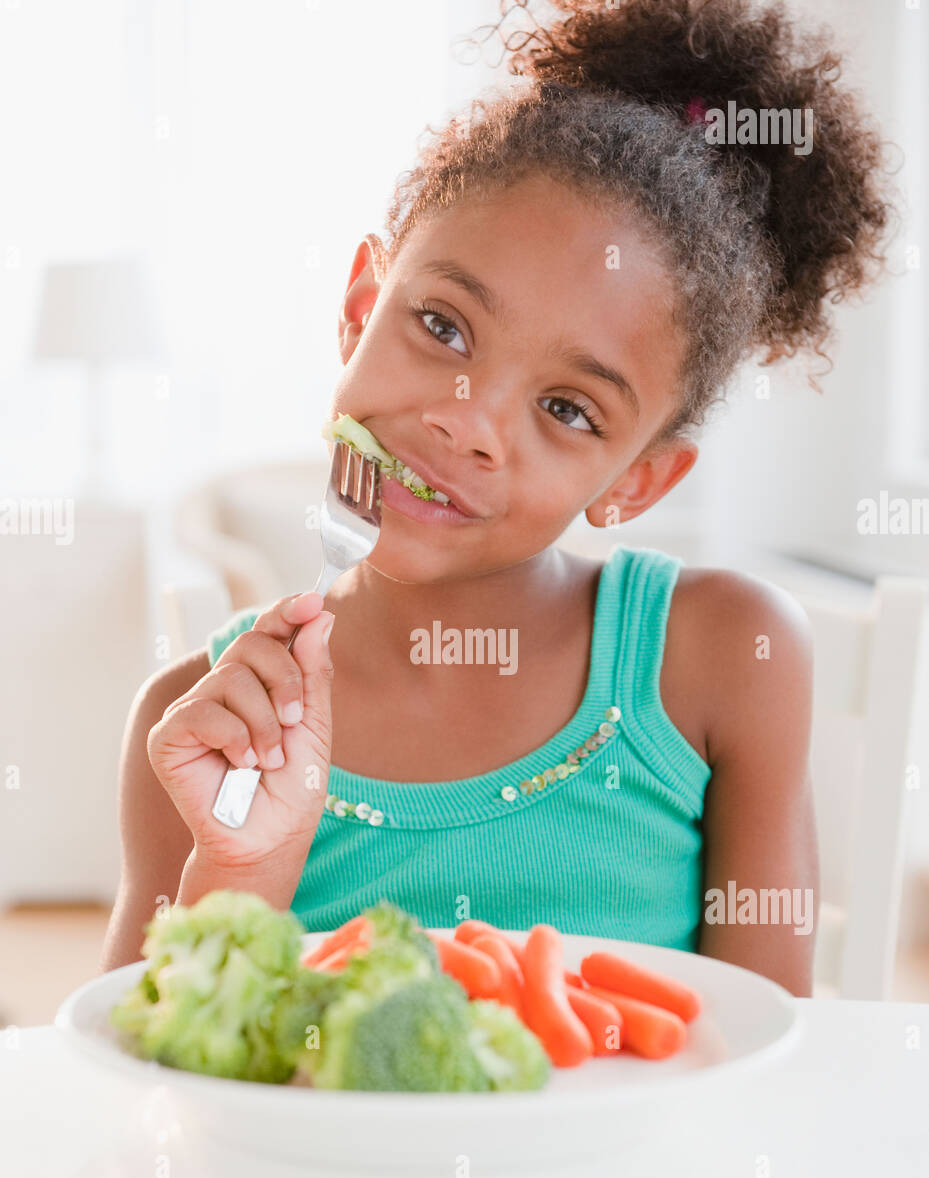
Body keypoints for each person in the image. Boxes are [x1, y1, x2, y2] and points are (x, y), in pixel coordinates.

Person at [101, 0, 896, 993]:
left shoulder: (720, 656)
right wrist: (238, 868)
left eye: (566, 408)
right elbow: (146, 1103)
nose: (468, 422)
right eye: (441, 325)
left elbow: (765, 1046)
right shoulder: (192, 728)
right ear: (359, 308)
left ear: (634, 482)